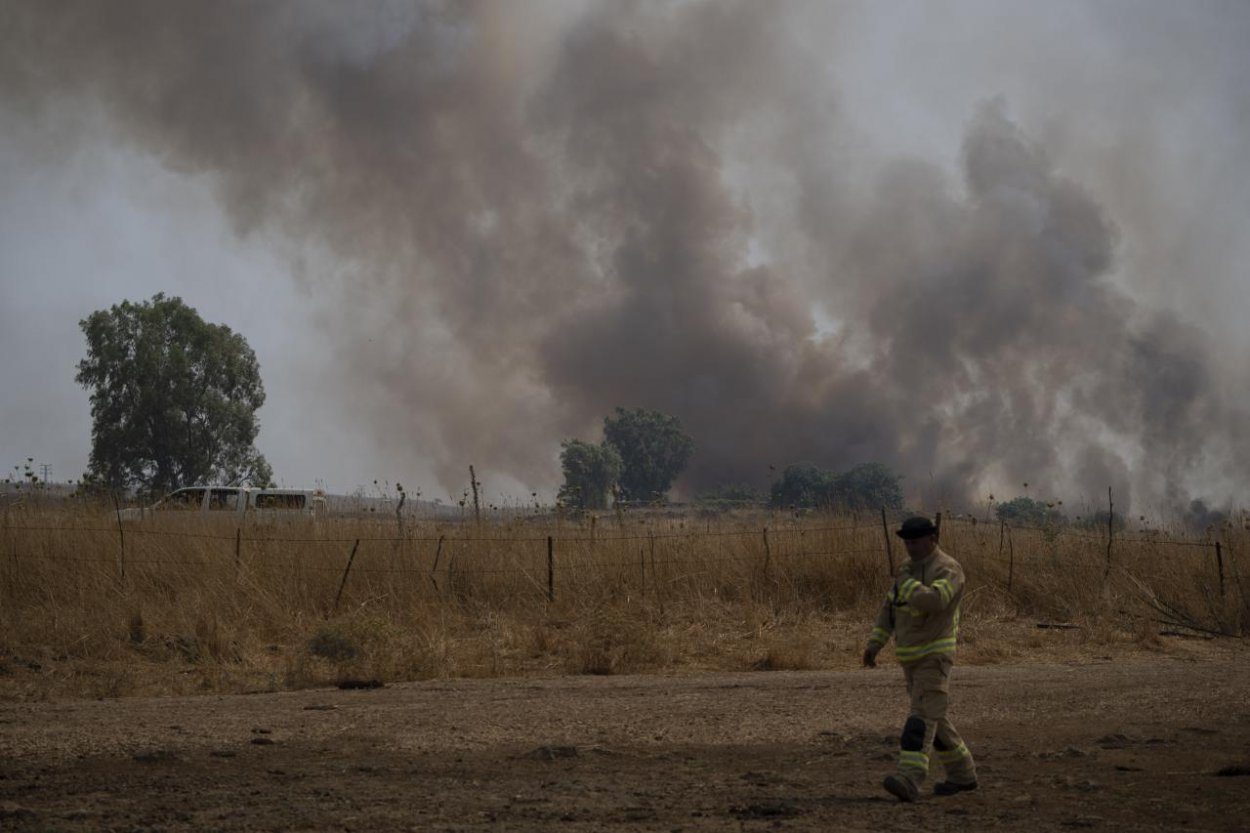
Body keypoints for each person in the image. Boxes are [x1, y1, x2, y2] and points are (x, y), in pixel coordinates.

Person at [863, 515, 978, 802]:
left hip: (934, 657)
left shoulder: (949, 569)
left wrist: (908, 584)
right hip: (910, 660)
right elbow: (889, 610)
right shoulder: (907, 570)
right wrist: (875, 643)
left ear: (933, 539)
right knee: (934, 719)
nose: (910, 547)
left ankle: (909, 777)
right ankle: (963, 774)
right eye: (907, 542)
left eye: (915, 542)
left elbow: (935, 601)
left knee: (920, 721)